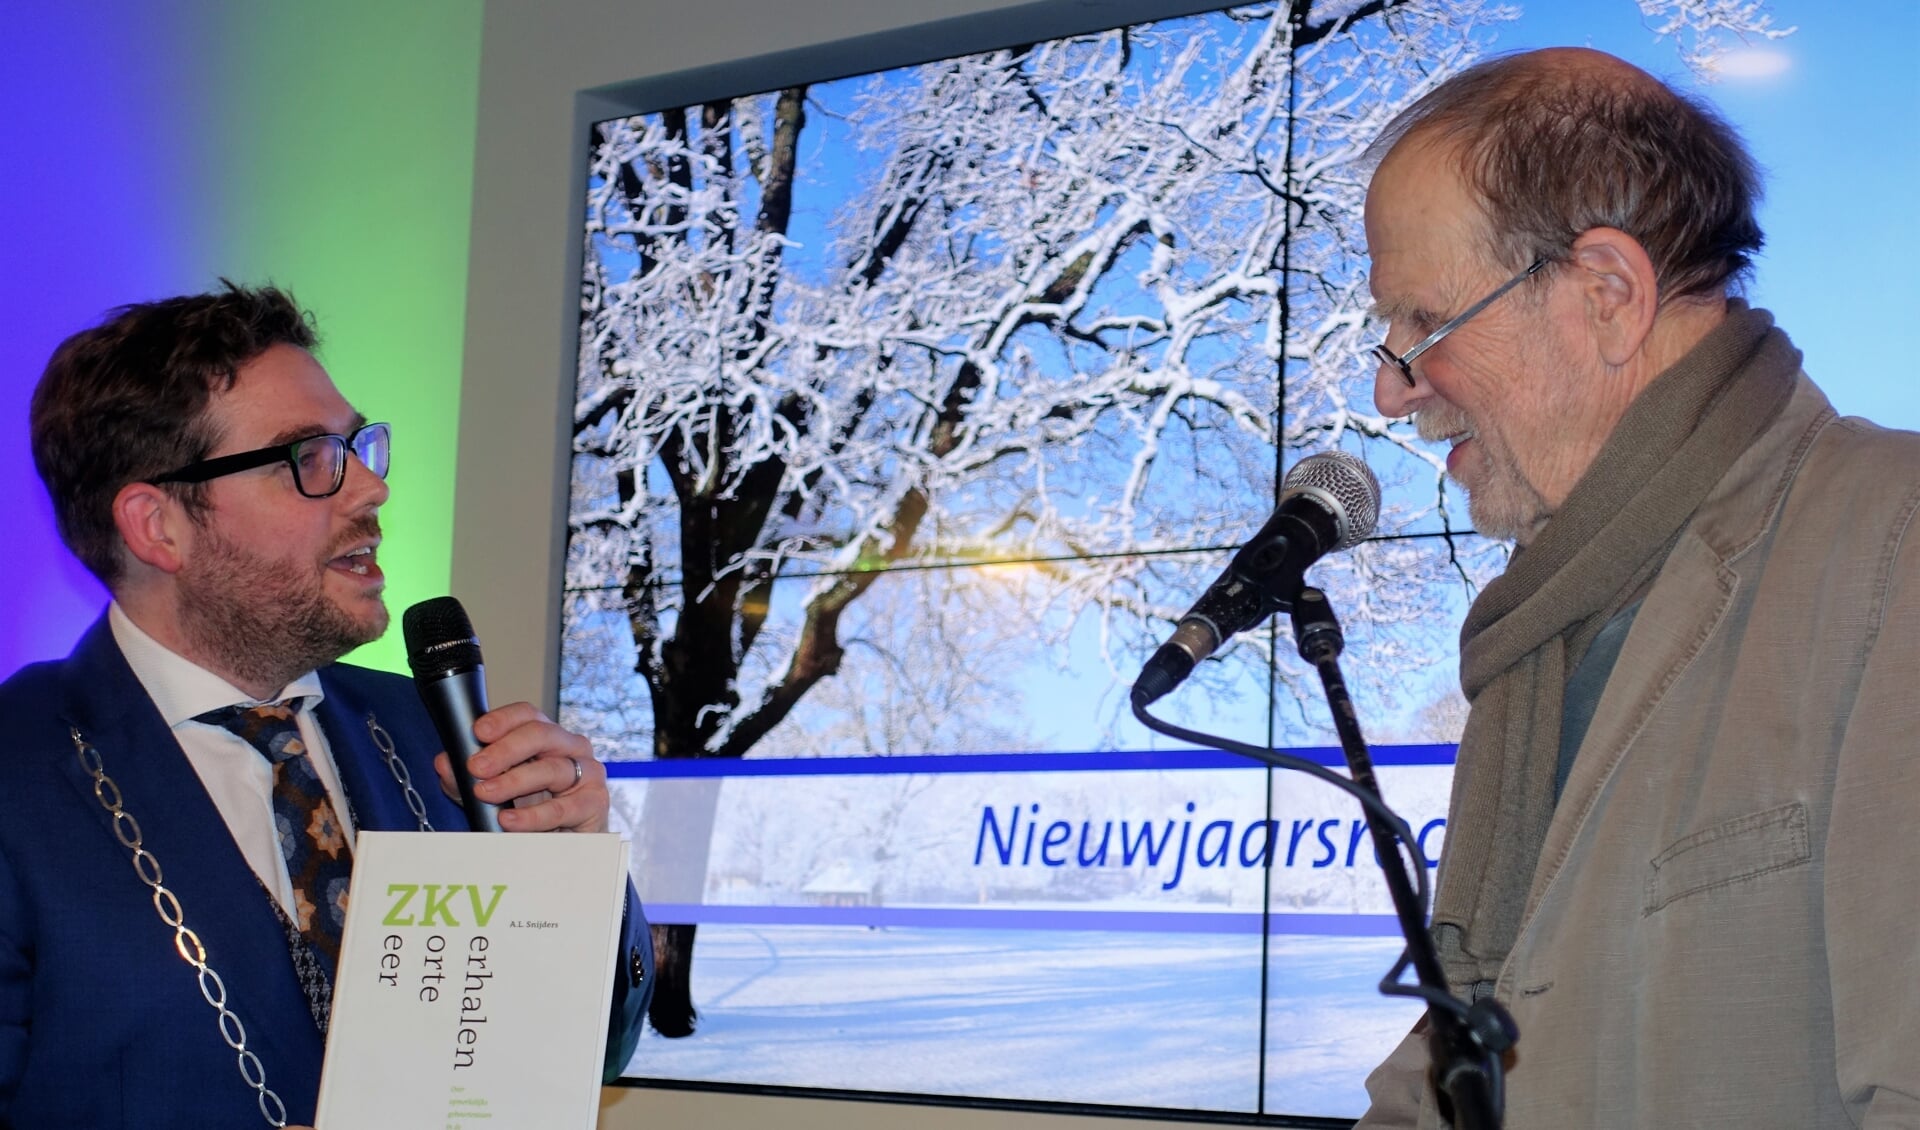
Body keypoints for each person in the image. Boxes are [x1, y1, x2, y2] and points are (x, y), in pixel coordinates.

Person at [1356, 48, 1920, 1127]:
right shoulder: (1540, 630)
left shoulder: (1897, 544)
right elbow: (1468, 1036)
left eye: (1421, 327)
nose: (1391, 392)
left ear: (1608, 295)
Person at [0, 284, 652, 1128]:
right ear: (157, 526)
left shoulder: (436, 736)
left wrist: (573, 872)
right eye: (310, 459)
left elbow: (588, 1052)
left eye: (360, 447)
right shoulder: (21, 772)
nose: (370, 490)